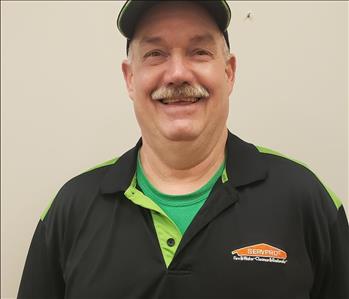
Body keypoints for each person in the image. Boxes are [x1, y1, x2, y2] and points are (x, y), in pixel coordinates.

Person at [18, 1, 349, 298]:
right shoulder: (71, 209)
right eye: (155, 54)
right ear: (130, 77)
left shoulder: (305, 199)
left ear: (229, 72)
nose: (177, 73)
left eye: (199, 52)